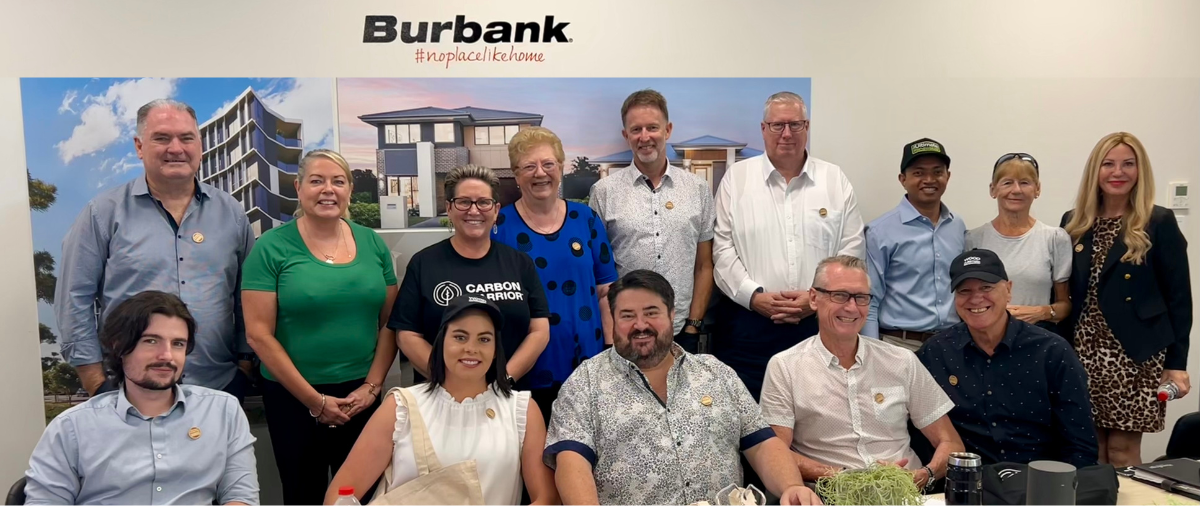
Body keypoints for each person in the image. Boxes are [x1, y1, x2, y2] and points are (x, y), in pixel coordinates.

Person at [544, 269, 822, 505]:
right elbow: (571, 462)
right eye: (627, 316)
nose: (640, 325)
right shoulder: (585, 383)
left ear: (672, 315)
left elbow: (762, 444)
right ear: (613, 320)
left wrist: (791, 487)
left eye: (651, 313)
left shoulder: (716, 372)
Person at [54, 98, 256, 400]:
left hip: (217, 388)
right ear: (139, 146)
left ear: (199, 145)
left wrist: (244, 364)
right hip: (129, 393)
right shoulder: (102, 214)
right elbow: (74, 299)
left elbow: (247, 296)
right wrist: (96, 382)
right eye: (161, 138)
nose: (176, 148)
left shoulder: (232, 214)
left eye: (186, 138)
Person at [241, 149, 398, 505]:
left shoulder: (372, 243)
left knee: (362, 495)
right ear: (298, 187)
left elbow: (391, 321)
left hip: (361, 398)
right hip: (294, 398)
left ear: (349, 190)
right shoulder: (270, 248)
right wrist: (315, 401)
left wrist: (372, 388)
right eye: (317, 181)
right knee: (304, 494)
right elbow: (258, 334)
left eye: (338, 181)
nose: (328, 190)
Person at [25, 291, 258, 505]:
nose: (166, 355)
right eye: (151, 341)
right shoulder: (72, 428)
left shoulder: (222, 411)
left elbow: (241, 497)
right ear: (119, 346)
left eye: (178, 344)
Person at [325, 295, 558, 505]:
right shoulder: (401, 406)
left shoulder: (521, 409)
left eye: (484, 339)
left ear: (497, 349)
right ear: (441, 342)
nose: (471, 348)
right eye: (460, 337)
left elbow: (546, 498)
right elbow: (341, 493)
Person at [759, 255, 963, 490]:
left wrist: (924, 475)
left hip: (905, 491)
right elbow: (775, 453)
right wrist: (847, 478)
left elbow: (951, 443)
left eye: (861, 298)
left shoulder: (902, 361)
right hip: (831, 494)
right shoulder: (785, 367)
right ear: (814, 298)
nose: (852, 307)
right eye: (840, 295)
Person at [713, 91, 866, 399]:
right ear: (763, 128)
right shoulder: (737, 179)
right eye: (777, 125)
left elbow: (851, 252)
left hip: (818, 325)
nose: (786, 134)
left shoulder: (833, 180)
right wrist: (754, 297)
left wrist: (815, 299)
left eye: (795, 125)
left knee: (819, 421)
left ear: (806, 127)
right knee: (750, 427)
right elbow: (722, 249)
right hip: (749, 329)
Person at [1060, 132, 1192, 466]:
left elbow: (1179, 298)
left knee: (1120, 451)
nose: (1118, 172)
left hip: (1135, 356)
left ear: (1140, 170)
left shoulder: (1158, 221)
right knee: (1088, 449)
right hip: (1083, 354)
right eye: (1109, 164)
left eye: (1128, 164)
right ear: (1096, 171)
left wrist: (1177, 364)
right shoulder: (1073, 222)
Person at [916, 249, 1098, 468]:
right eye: (965, 290)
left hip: (1039, 483)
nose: (976, 298)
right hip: (965, 485)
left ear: (1009, 290)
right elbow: (918, 431)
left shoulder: (1052, 352)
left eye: (986, 287)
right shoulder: (935, 353)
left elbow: (1080, 443)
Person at [492, 126, 619, 422]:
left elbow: (606, 291)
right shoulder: (499, 225)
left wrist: (612, 352)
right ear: (516, 173)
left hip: (588, 362)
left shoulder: (586, 219)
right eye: (529, 166)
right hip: (524, 365)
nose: (540, 173)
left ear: (560, 168)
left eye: (548, 164)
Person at [391, 164, 551, 389]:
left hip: (506, 393)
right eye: (464, 202)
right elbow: (407, 334)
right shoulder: (423, 263)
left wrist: (502, 381)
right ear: (449, 208)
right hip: (441, 394)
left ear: (496, 210)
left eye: (483, 202)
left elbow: (539, 330)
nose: (474, 211)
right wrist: (450, 381)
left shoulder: (519, 263)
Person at [589, 89, 715, 353]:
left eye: (652, 128)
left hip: (681, 332)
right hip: (627, 334)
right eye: (636, 129)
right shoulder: (604, 192)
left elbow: (704, 265)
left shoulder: (697, 189)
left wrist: (693, 324)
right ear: (626, 136)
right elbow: (598, 271)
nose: (644, 137)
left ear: (667, 130)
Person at [864, 138, 965, 349]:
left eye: (937, 172)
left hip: (951, 344)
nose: (929, 179)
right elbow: (869, 299)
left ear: (948, 176)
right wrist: (872, 354)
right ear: (903, 179)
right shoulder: (879, 231)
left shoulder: (957, 226)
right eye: (918, 173)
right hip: (899, 345)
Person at [965, 153, 1071, 334]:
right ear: (993, 190)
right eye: (1007, 182)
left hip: (1035, 341)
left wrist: (1041, 312)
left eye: (1024, 182)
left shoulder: (1055, 238)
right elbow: (965, 298)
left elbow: (1065, 305)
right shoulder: (973, 239)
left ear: (1037, 189)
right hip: (984, 341)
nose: (1016, 190)